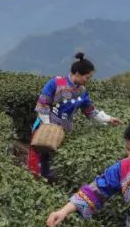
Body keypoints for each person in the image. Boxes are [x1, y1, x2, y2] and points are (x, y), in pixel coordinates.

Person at [28, 52, 120, 180]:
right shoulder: (56, 83)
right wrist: (48, 126)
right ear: (77, 73)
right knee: (38, 158)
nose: (88, 81)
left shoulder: (82, 91)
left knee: (53, 161)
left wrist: (109, 119)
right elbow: (43, 105)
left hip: (63, 131)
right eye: (87, 77)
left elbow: (90, 111)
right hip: (45, 128)